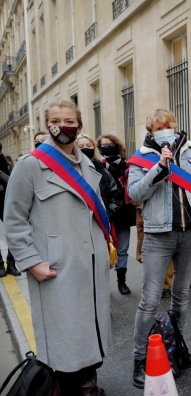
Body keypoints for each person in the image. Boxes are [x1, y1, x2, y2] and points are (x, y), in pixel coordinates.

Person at [5, 100, 110, 395]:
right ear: (47, 125)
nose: (62, 126)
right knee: (64, 333)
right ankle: (67, 387)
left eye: (68, 120)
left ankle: (88, 384)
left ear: (78, 125)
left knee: (91, 327)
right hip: (55, 265)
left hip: (90, 263)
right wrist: (30, 260)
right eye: (55, 120)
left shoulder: (88, 164)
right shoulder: (30, 165)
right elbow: (13, 219)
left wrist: (104, 252)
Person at [128, 108, 191, 388]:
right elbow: (134, 194)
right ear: (151, 131)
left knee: (181, 295)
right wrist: (159, 168)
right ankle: (140, 358)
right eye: (158, 128)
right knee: (150, 299)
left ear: (176, 126)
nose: (164, 130)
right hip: (159, 235)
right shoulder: (142, 157)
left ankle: (176, 349)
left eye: (167, 125)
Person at [98, 134, 136, 295]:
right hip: (104, 214)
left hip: (123, 214)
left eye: (110, 144)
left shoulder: (127, 165)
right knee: (102, 251)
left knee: (122, 249)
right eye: (104, 145)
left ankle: (122, 282)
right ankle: (101, 285)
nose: (108, 147)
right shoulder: (98, 166)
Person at [76, 135, 123, 222]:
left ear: (94, 148)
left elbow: (116, 195)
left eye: (89, 146)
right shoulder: (71, 171)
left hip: (102, 218)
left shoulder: (104, 171)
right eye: (81, 147)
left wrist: (107, 213)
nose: (85, 148)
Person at [0, 143, 19, 278]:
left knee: (12, 232)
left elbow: (12, 182)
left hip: (5, 200)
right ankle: (0, 264)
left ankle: (11, 263)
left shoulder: (7, 165)